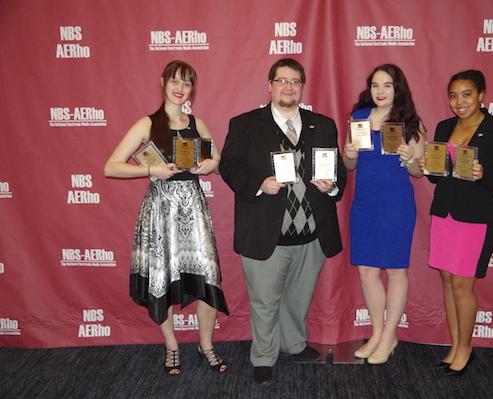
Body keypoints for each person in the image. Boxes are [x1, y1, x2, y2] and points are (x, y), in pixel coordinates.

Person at [219, 58, 346, 385]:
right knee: (264, 301)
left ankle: (293, 343)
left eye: (294, 81)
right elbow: (229, 165)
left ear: (302, 87)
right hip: (265, 232)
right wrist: (259, 184)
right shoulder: (245, 124)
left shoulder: (324, 124)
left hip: (312, 233)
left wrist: (332, 186)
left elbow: (337, 172)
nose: (288, 87)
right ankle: (263, 356)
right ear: (270, 86)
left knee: (299, 297)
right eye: (281, 80)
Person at [104, 60, 229, 376]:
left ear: (192, 89)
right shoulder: (147, 124)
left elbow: (216, 156)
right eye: (175, 81)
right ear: (163, 83)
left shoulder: (196, 123)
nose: (180, 88)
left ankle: (206, 345)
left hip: (194, 211)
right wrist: (150, 170)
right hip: (161, 214)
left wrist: (211, 164)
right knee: (162, 278)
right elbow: (112, 166)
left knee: (208, 278)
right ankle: (171, 346)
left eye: (187, 83)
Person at [418, 69, 493, 376]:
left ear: (480, 96)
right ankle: (455, 345)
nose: (459, 102)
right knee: (448, 283)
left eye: (466, 94)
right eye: (453, 95)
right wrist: (427, 168)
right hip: (445, 214)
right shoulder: (445, 125)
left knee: (463, 286)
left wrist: (484, 174)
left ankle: (466, 349)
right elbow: (439, 176)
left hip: (475, 219)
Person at [343, 64, 425, 364]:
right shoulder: (359, 117)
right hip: (365, 202)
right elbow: (350, 165)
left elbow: (419, 172)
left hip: (396, 204)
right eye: (375, 85)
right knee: (366, 271)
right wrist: (348, 155)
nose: (380, 91)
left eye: (387, 85)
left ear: (397, 89)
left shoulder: (410, 122)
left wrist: (409, 159)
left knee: (395, 271)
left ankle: (390, 336)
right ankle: (377, 333)